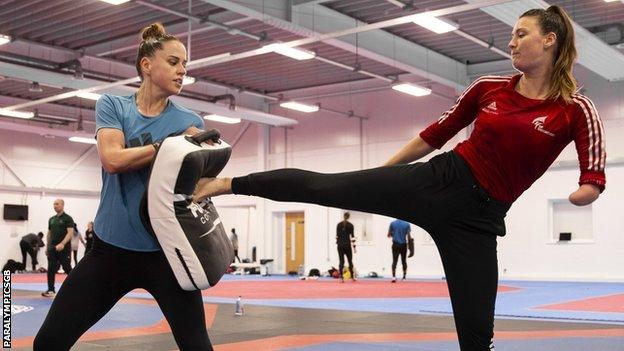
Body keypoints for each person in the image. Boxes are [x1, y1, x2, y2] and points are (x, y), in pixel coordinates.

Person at [192, 6, 605, 351]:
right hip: (440, 181)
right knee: (325, 187)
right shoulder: (488, 87)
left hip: (478, 222)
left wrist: (583, 193)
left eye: (520, 34)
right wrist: (384, 174)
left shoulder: (575, 108)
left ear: (549, 39)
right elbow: (433, 136)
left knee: (477, 334)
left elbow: (593, 172)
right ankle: (223, 185)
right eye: (511, 36)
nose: (511, 43)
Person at [34, 23, 212, 350]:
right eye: (174, 62)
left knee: (198, 347)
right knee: (48, 342)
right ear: (146, 65)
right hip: (109, 251)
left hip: (167, 254)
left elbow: (195, 189)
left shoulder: (191, 122)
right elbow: (112, 159)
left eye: (185, 64)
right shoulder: (114, 106)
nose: (182, 70)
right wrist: (171, 145)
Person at [42, 199, 75, 297]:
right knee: (51, 268)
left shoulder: (68, 218)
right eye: (54, 204)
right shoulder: (51, 219)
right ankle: (51, 290)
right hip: (52, 248)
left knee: (67, 267)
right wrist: (48, 247)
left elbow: (70, 233)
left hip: (64, 248)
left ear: (62, 205)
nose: (55, 206)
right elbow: (49, 234)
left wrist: (62, 244)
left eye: (57, 204)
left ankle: (77, 287)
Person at [335, 212, 356, 282]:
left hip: (340, 245)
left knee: (341, 261)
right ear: (349, 217)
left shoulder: (338, 225)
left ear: (343, 216)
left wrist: (338, 243)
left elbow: (337, 236)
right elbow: (352, 237)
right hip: (347, 245)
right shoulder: (350, 225)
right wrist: (354, 247)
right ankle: (352, 277)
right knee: (350, 261)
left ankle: (341, 277)